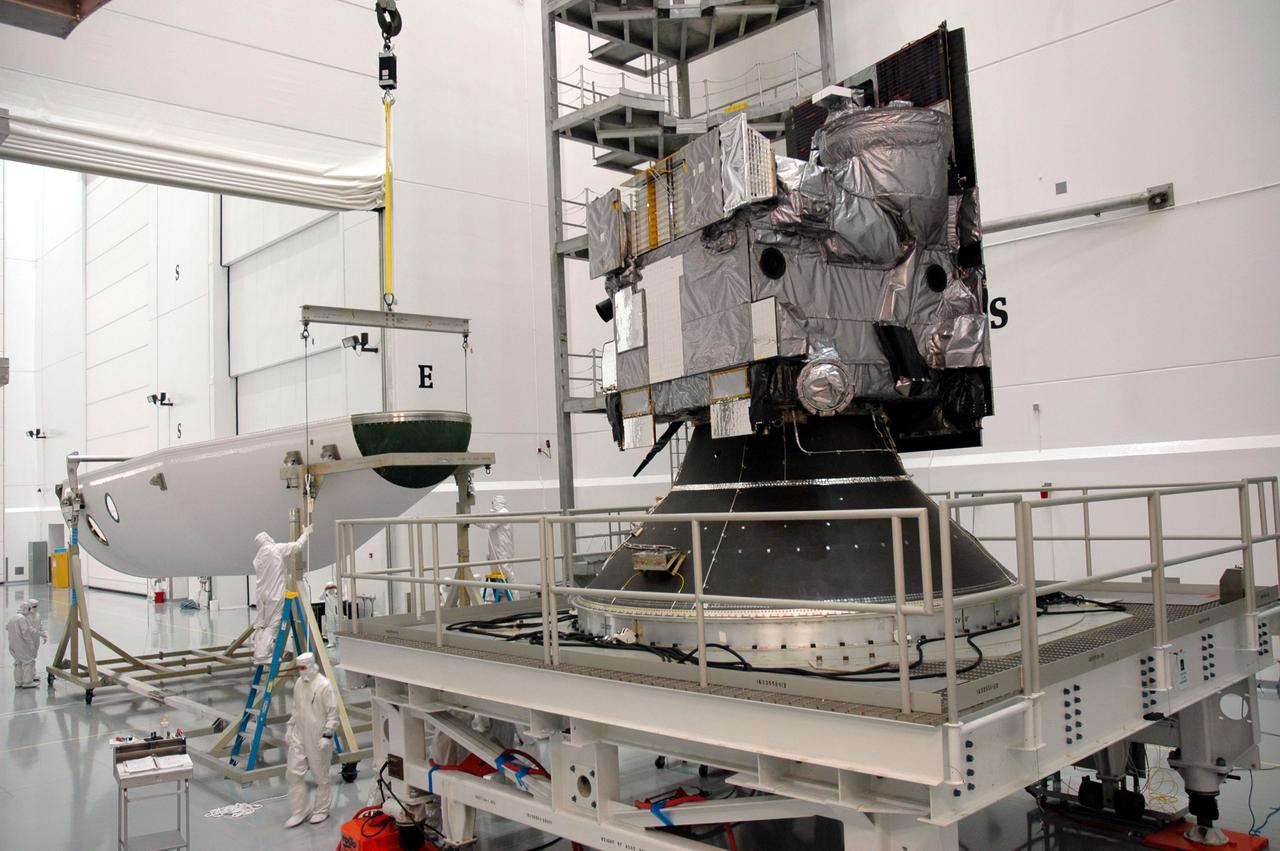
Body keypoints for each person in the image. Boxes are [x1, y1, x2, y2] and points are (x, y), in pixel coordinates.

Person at [285, 652, 339, 827]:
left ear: (310, 665)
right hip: (299, 734)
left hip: (318, 737)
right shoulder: (299, 684)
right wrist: (290, 726)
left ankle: (321, 809)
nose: (301, 671)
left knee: (320, 775)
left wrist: (327, 735)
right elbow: (296, 708)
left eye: (303, 667)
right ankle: (299, 811)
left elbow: (333, 714)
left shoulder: (324, 685)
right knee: (294, 773)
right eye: (298, 668)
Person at [249, 525, 312, 666]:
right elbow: (297, 546)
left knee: (261, 624)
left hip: (261, 595)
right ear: (267, 538)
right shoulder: (276, 549)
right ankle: (262, 655)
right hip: (275, 594)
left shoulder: (257, 558)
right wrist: (306, 534)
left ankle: (258, 649)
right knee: (273, 625)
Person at [474, 495, 516, 602]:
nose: (492, 505)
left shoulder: (503, 513)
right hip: (497, 550)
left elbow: (488, 524)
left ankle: (515, 599)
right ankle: (502, 599)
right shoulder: (498, 514)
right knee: (498, 574)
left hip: (503, 550)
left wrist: (473, 520)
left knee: (506, 573)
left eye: (493, 503)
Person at [6, 600, 43, 688]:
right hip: (21, 644)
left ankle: (18, 682)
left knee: (18, 662)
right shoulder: (22, 618)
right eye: (29, 608)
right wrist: (30, 644)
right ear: (26, 609)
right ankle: (27, 682)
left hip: (12, 644)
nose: (30, 611)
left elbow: (7, 627)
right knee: (28, 661)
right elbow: (25, 633)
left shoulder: (13, 617)